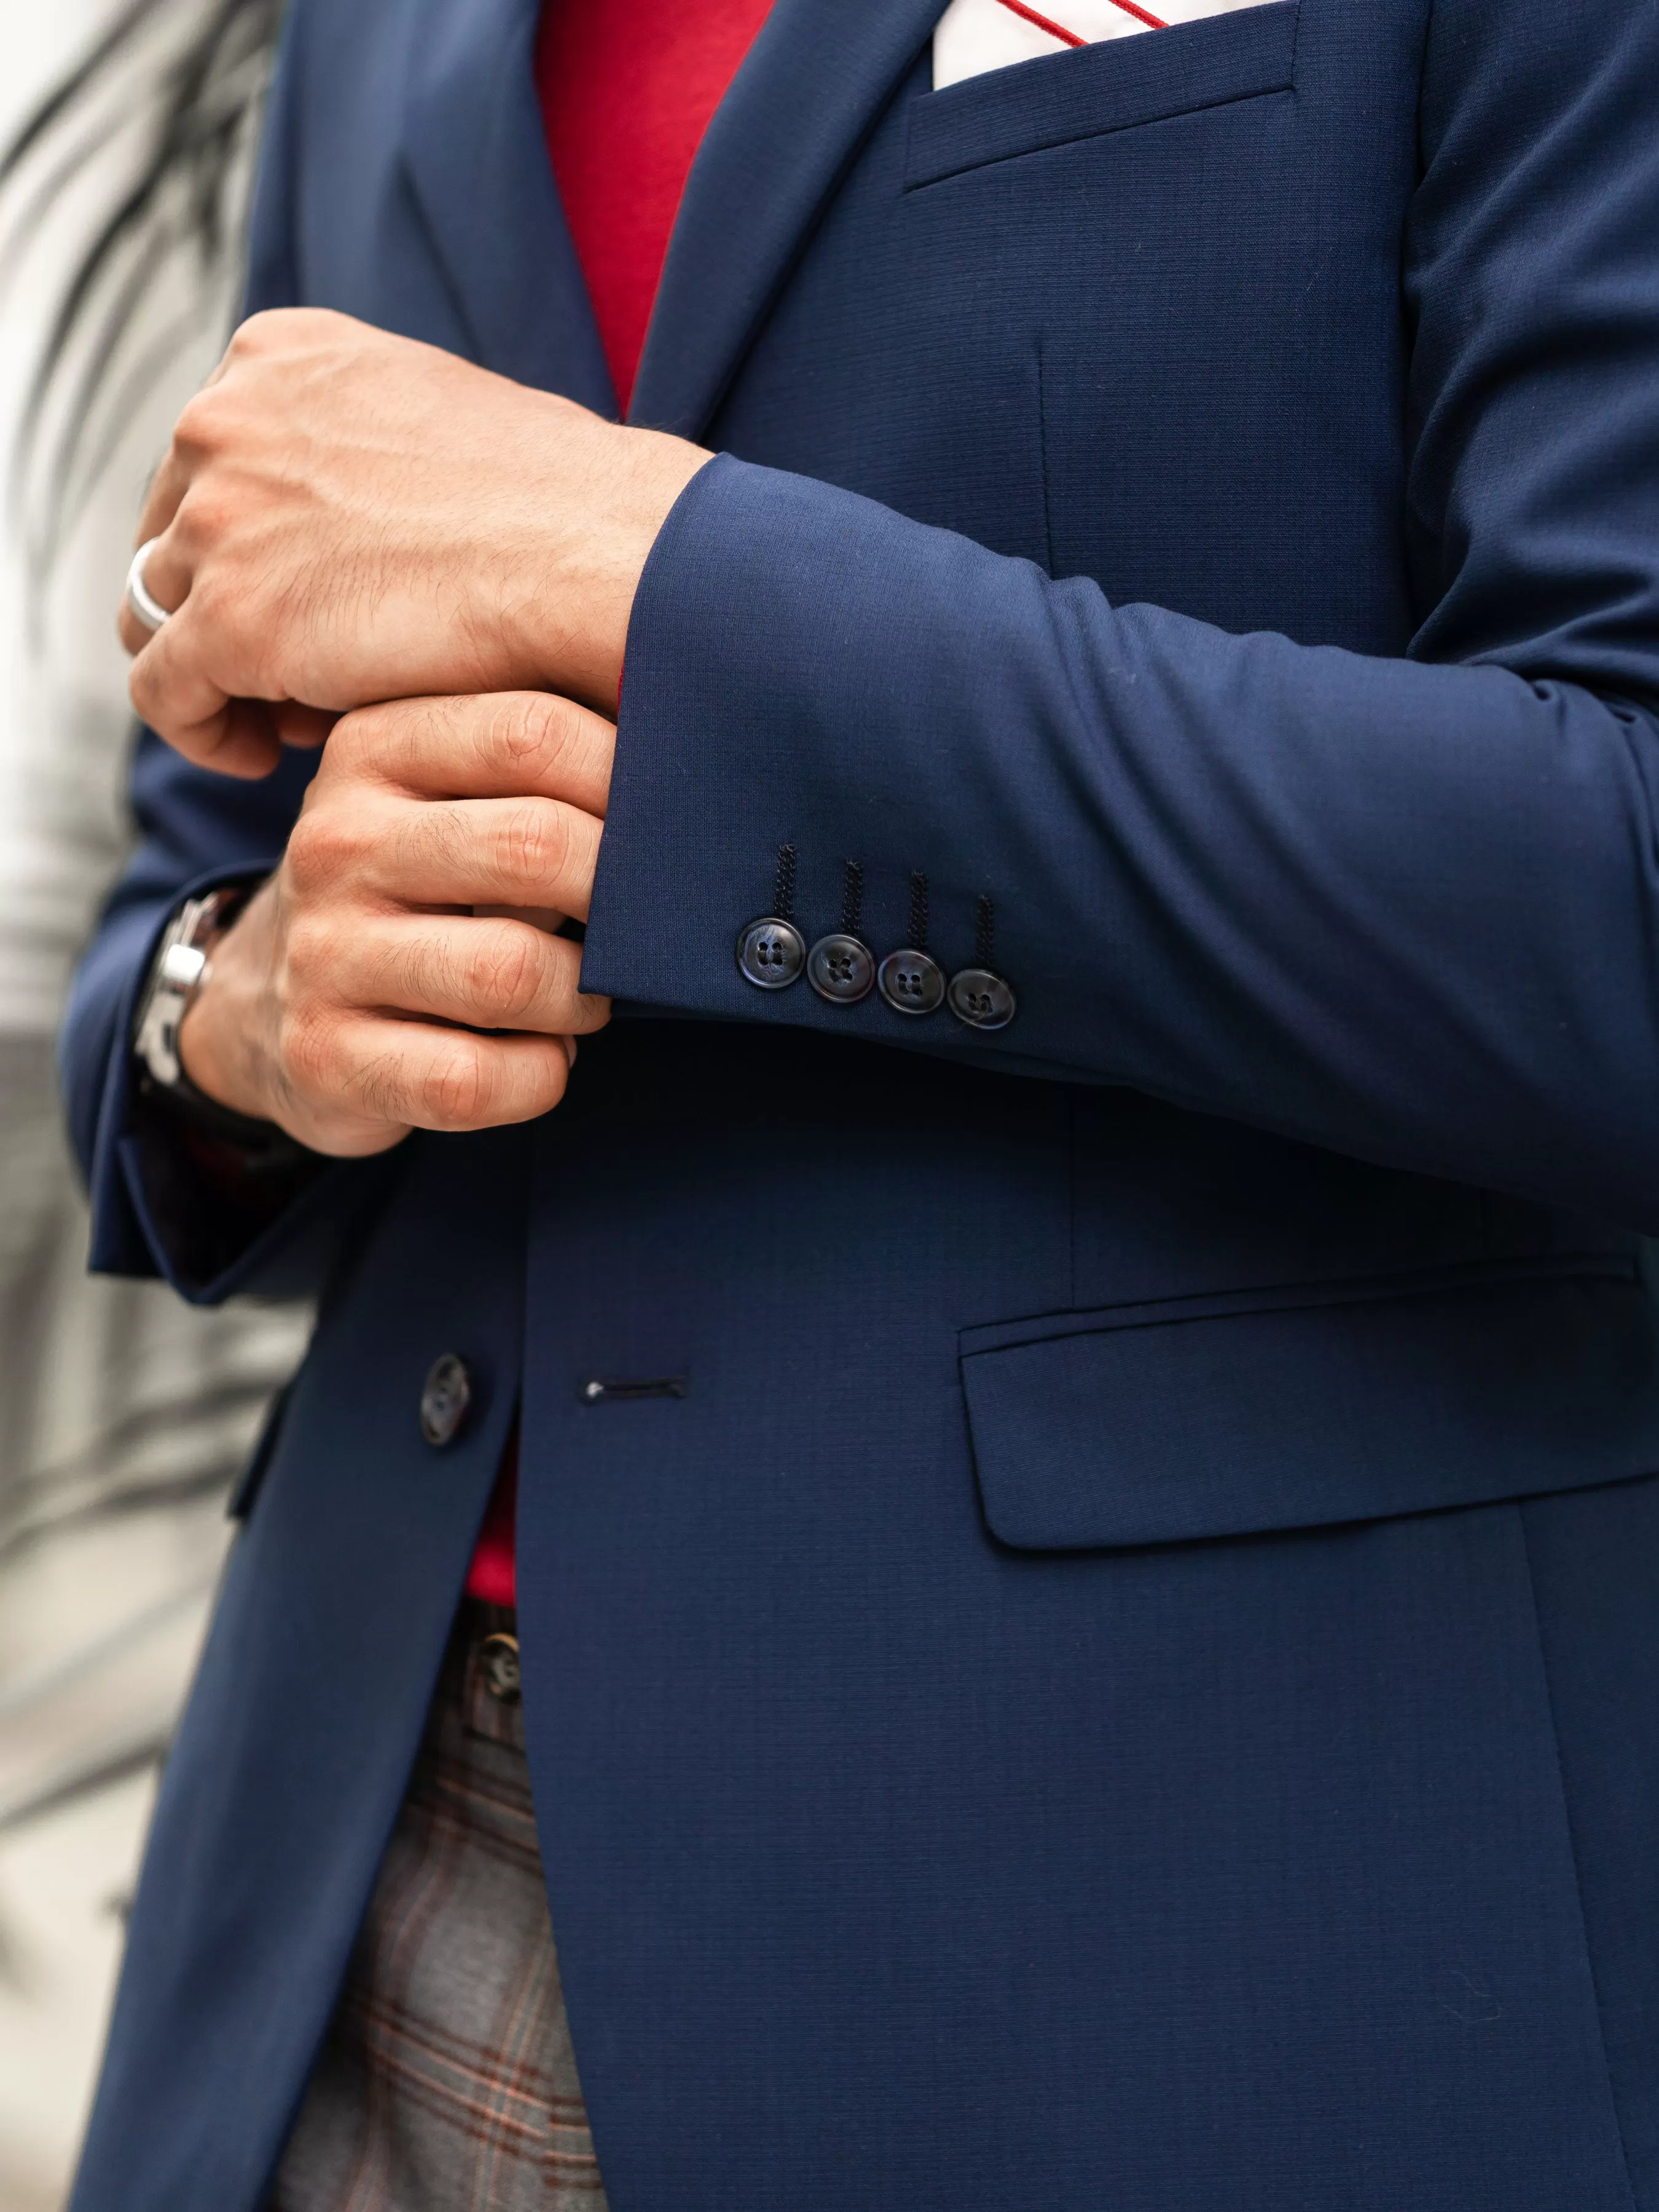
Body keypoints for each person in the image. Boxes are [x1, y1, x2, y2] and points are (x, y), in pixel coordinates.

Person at [57, 0, 1659, 2199]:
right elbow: (191, 865)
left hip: (1172, 1915)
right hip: (348, 1875)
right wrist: (237, 1017)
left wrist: (652, 570)